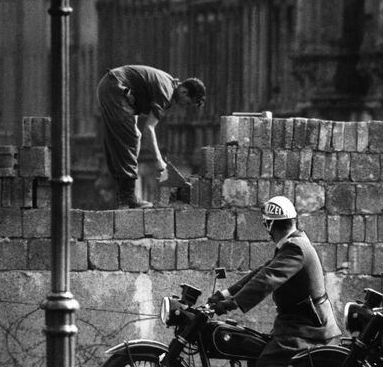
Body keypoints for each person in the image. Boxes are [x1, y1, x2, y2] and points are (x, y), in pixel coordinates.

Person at [208, 196, 341, 365]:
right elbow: (261, 272)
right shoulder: (293, 245)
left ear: (270, 225)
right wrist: (223, 295)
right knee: (253, 351)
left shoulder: (296, 248)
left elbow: (266, 280)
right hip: (296, 325)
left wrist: (232, 303)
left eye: (265, 224)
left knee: (265, 363)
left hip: (309, 330)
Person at [97, 65, 205, 208]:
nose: (185, 107)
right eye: (188, 103)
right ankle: (128, 197)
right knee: (128, 139)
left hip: (114, 87)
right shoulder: (166, 91)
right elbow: (149, 129)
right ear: (184, 91)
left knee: (131, 136)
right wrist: (159, 161)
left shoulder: (169, 83)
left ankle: (124, 194)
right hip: (116, 88)